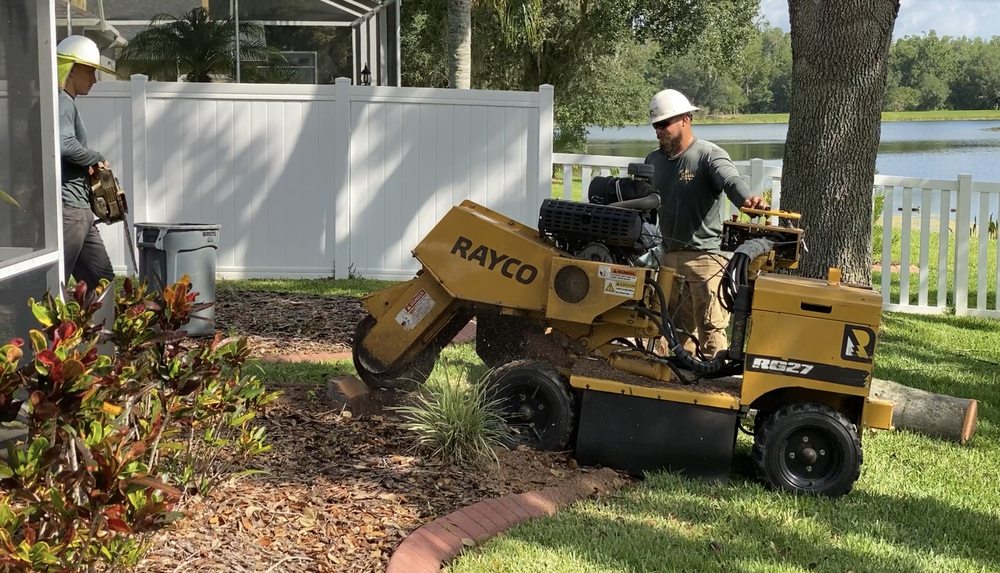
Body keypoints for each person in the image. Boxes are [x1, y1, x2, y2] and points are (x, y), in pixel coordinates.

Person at [644, 89, 767, 359]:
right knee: (675, 330)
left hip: (705, 259)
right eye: (656, 125)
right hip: (668, 256)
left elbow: (730, 181)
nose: (659, 131)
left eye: (664, 124)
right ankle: (683, 384)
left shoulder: (708, 155)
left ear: (686, 119)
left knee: (711, 329)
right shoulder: (653, 161)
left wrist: (748, 200)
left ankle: (716, 386)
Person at [56, 35, 116, 290]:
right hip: (69, 211)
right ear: (70, 70)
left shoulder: (65, 103)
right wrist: (97, 157)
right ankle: (39, 329)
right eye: (90, 71)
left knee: (103, 280)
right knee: (53, 283)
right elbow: (64, 144)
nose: (94, 79)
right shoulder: (62, 102)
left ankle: (100, 331)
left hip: (79, 211)